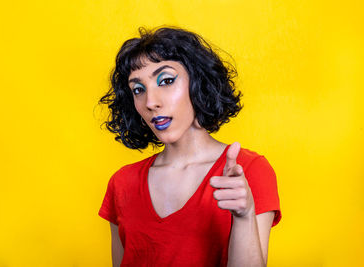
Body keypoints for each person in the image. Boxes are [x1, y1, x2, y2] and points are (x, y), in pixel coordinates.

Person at [98, 26, 281, 267]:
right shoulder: (122, 183)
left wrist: (244, 215)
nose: (151, 102)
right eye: (138, 89)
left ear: (198, 82)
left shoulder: (248, 171)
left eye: (166, 80)